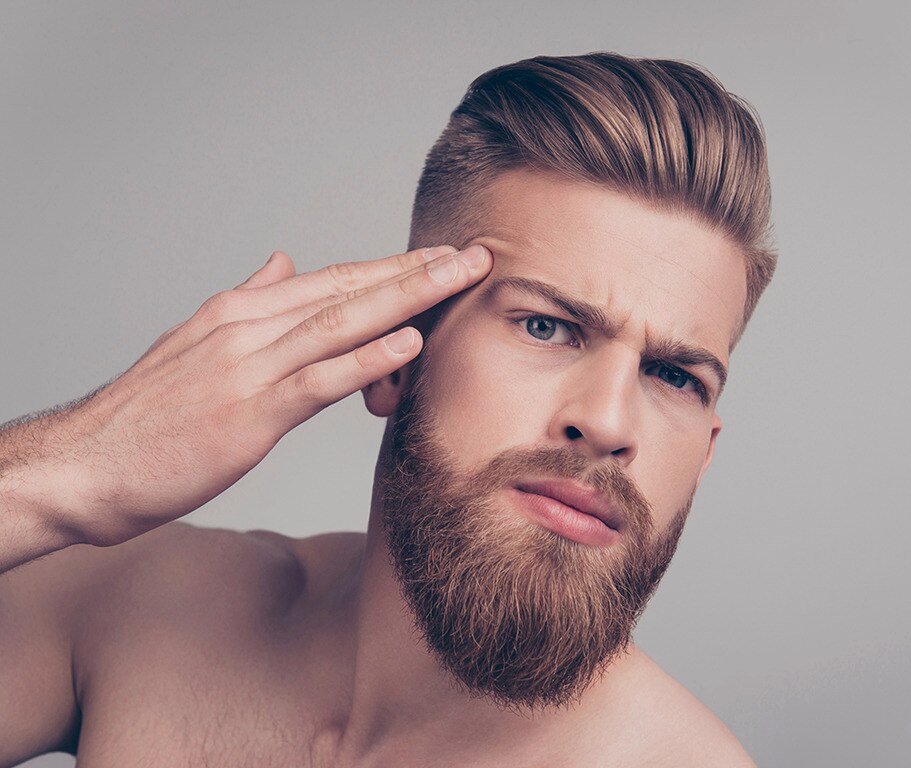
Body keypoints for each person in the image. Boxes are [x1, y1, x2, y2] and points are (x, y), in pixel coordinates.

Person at [0, 51, 775, 766]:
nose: (608, 422)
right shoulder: (138, 608)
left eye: (673, 376)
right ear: (397, 353)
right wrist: (71, 472)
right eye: (546, 327)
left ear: (706, 452)